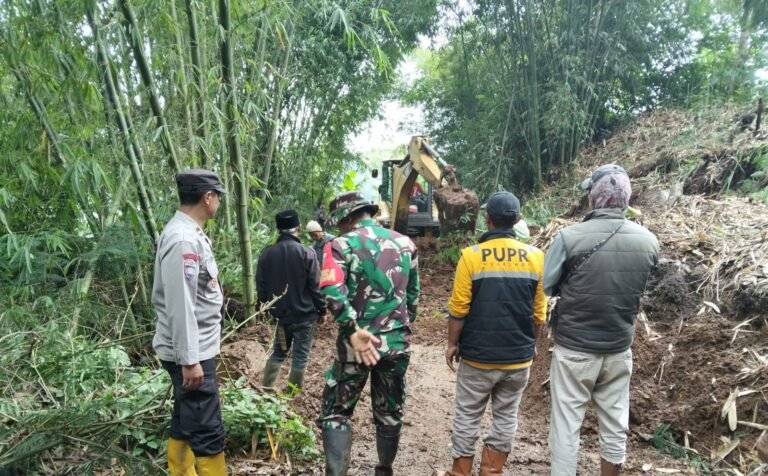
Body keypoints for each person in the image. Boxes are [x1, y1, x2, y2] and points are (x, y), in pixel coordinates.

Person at [543, 164, 659, 476]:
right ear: (625, 199)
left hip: (574, 349)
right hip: (619, 348)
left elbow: (548, 286)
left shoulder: (568, 238)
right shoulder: (649, 241)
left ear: (594, 198)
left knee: (567, 423)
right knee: (615, 422)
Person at [439, 191, 547, 476]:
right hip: (517, 359)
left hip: (477, 357)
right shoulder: (536, 257)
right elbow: (539, 313)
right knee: (506, 416)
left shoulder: (471, 256)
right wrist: (532, 344)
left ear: (487, 220)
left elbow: (459, 307)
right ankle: (491, 471)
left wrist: (452, 343)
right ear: (517, 219)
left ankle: (460, 472)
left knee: (467, 415)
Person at [317, 191, 420, 476]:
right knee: (389, 411)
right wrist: (396, 328)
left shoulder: (339, 245)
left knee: (337, 413)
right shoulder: (406, 243)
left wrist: (352, 329)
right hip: (396, 343)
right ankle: (384, 469)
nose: (338, 227)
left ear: (348, 217)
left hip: (355, 346)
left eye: (339, 222)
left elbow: (333, 294)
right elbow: (413, 298)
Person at [152, 169, 227, 476]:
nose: (219, 203)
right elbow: (181, 304)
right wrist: (190, 360)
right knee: (208, 431)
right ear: (207, 197)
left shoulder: (189, 232)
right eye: (218, 197)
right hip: (191, 352)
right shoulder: (183, 239)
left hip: (196, 348)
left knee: (185, 419)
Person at [257, 210, 326, 391]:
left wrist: (265, 307)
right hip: (305, 317)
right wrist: (322, 310)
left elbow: (261, 286)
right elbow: (315, 286)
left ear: (278, 230)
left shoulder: (267, 254)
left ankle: (267, 388)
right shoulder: (306, 253)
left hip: (281, 318)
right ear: (299, 228)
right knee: (300, 354)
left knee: (279, 351)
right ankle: (293, 392)